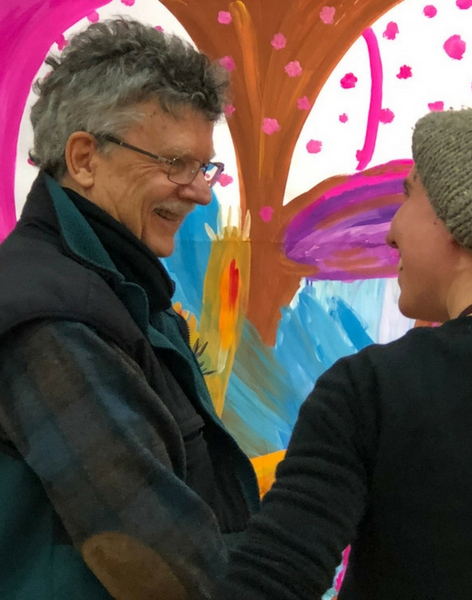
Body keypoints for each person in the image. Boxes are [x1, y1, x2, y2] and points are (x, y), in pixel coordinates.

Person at [215, 100, 472, 600]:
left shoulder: (370, 389)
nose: (393, 231)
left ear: (458, 221)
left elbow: (269, 581)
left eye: (409, 196)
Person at [0, 18, 259, 600]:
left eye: (204, 167)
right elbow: (156, 557)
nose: (200, 191)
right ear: (86, 158)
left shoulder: (114, 286)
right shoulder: (50, 319)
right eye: (175, 164)